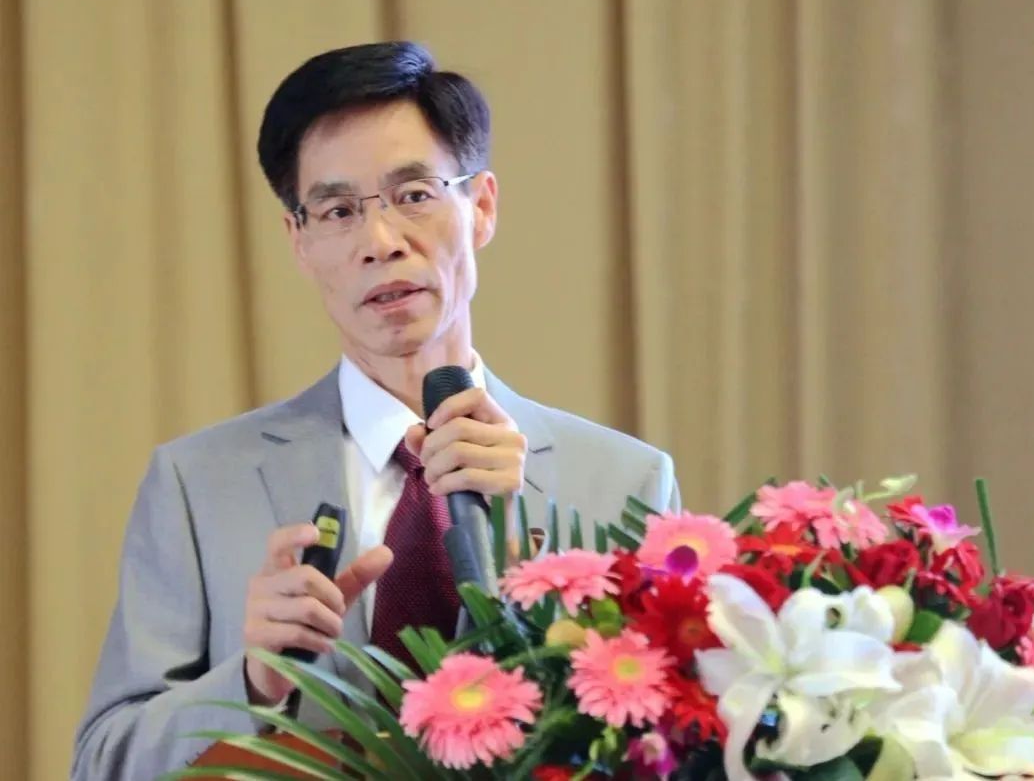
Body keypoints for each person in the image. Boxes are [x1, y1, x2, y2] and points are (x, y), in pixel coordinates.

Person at [71, 41, 680, 780]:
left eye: (414, 195)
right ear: (299, 240)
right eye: (337, 211)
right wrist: (252, 682)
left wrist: (520, 549)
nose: (380, 243)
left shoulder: (625, 483)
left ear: (482, 207)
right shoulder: (197, 483)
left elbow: (669, 746)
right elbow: (102, 762)